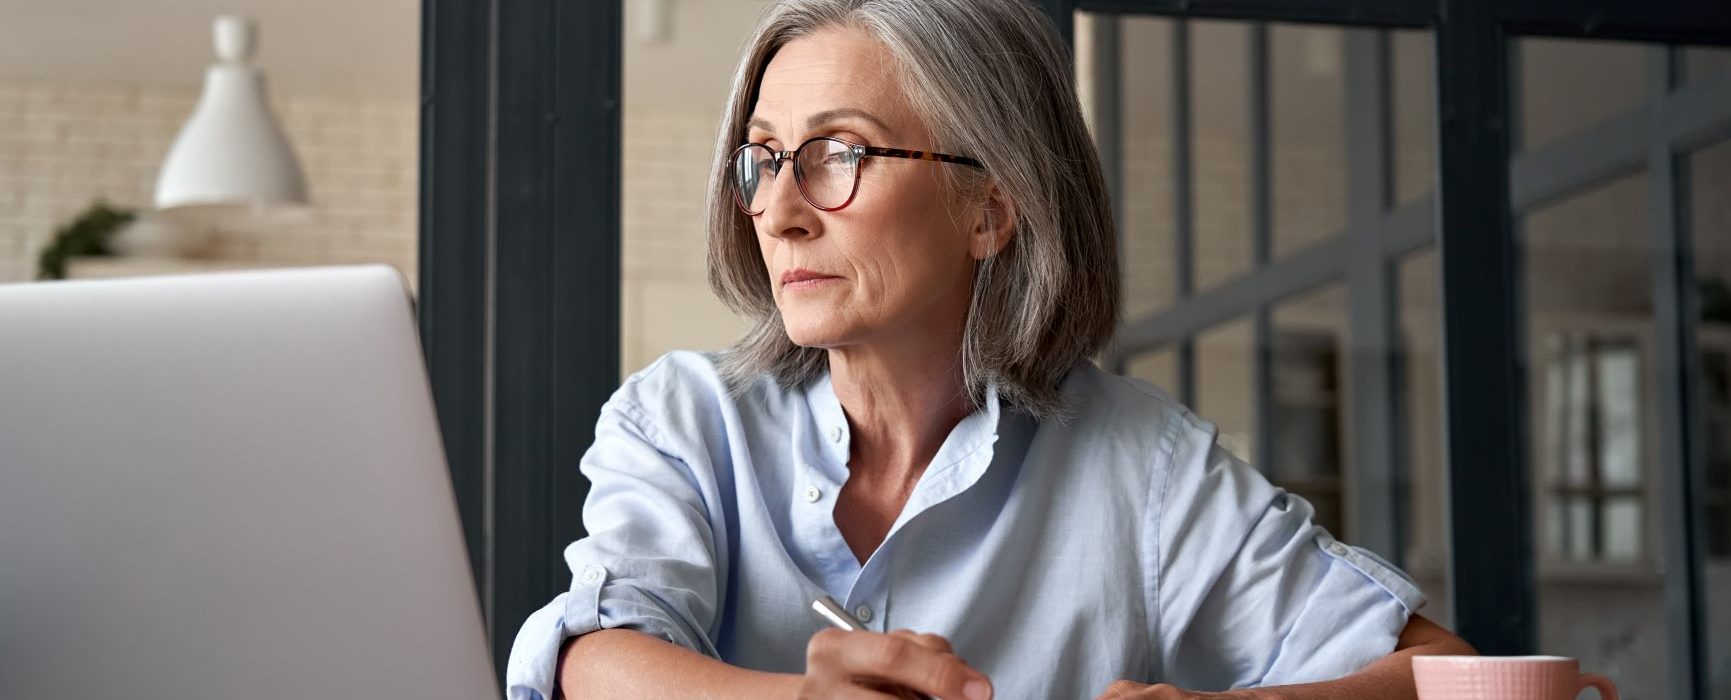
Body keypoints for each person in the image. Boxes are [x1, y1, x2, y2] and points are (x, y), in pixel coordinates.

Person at [506, 0, 1475, 697]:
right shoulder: (682, 418)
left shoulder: (1143, 465)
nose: (779, 209)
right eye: (763, 158)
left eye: (838, 153)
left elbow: (1448, 674)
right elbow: (594, 654)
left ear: (990, 209)